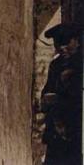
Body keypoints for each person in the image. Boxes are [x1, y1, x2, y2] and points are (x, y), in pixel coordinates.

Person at [41, 23, 83, 165]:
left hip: (75, 131)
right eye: (59, 45)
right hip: (56, 131)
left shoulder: (80, 65)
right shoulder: (56, 64)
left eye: (66, 44)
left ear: (76, 41)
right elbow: (47, 91)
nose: (62, 49)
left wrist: (59, 100)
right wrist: (46, 100)